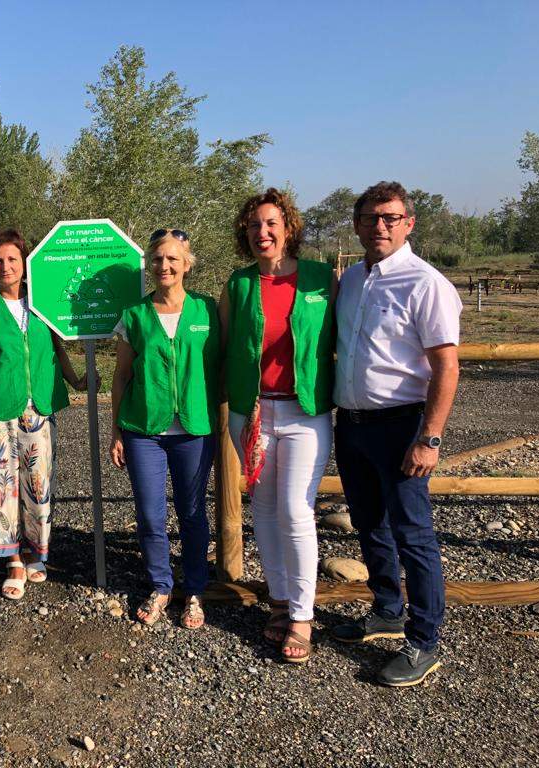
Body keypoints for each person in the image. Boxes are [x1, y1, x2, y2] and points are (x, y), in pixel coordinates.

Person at [329, 181, 462, 687]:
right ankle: (386, 609)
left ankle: (424, 640)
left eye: (390, 218)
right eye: (370, 218)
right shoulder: (352, 280)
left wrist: (430, 438)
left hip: (401, 425)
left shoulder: (425, 283)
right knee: (369, 523)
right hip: (353, 424)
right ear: (358, 225)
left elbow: (446, 367)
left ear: (409, 223)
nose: (379, 226)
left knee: (413, 534)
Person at [219, 188, 336, 663]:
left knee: (295, 509)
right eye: (253, 225)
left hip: (305, 412)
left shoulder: (321, 279)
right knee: (264, 508)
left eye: (271, 223)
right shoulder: (239, 284)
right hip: (253, 413)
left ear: (288, 228)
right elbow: (223, 345)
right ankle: (280, 600)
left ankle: (303, 616)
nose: (262, 232)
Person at [0, 229, 88, 599]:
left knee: (37, 484)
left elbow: (56, 349)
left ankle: (36, 551)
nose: (5, 267)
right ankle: (14, 559)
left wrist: (76, 381)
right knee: (0, 487)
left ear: (24, 262)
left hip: (38, 410)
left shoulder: (42, 303)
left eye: (12, 259)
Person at [110, 229, 220, 630]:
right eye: (157, 259)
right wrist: (116, 432)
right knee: (150, 515)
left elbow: (223, 366)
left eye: (173, 259)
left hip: (195, 429)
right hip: (144, 431)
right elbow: (121, 376)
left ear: (187, 264)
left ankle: (194, 589)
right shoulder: (134, 315)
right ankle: (160, 586)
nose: (164, 266)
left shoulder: (207, 310)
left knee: (192, 512)